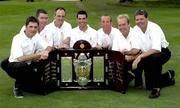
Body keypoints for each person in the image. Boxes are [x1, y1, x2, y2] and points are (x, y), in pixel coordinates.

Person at [0, 16, 53, 98]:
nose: (33, 29)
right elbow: (20, 58)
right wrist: (38, 54)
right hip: (15, 65)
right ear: (26, 27)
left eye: (35, 27)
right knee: (22, 66)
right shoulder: (17, 38)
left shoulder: (36, 36)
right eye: (30, 27)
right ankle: (17, 88)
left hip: (29, 64)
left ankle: (24, 83)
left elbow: (49, 46)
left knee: (39, 87)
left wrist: (46, 52)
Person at [132, 9, 175, 99]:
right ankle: (168, 76)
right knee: (149, 86)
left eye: (142, 19)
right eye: (137, 19)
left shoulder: (154, 28)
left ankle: (156, 89)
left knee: (155, 59)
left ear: (147, 19)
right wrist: (129, 54)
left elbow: (156, 49)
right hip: (147, 54)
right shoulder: (135, 30)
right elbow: (137, 48)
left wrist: (139, 57)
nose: (139, 21)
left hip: (162, 52)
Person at [115, 14, 143, 88]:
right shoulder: (117, 35)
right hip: (123, 59)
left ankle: (139, 82)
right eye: (119, 25)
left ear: (128, 24)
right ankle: (129, 78)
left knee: (138, 63)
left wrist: (127, 54)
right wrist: (122, 54)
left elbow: (138, 51)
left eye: (124, 24)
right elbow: (114, 52)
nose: (121, 27)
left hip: (136, 58)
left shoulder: (135, 33)